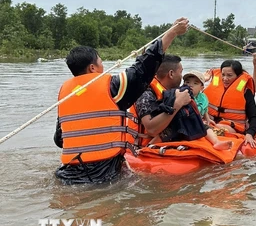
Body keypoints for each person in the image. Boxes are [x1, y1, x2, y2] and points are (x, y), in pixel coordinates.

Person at [53, 17, 189, 184]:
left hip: (66, 174)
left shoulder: (65, 94)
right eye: (101, 62)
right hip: (101, 177)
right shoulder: (112, 87)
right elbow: (143, 68)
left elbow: (60, 140)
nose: (103, 66)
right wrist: (172, 33)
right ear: (92, 68)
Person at [133, 55, 203, 145]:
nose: (181, 77)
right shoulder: (146, 94)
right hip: (144, 147)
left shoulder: (170, 91)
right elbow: (151, 129)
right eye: (181, 72)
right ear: (171, 74)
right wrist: (178, 103)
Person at [203, 60, 256, 148]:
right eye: (223, 75)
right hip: (210, 121)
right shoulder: (213, 85)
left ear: (237, 76)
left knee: (215, 127)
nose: (225, 78)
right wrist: (202, 81)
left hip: (231, 126)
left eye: (229, 75)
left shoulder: (245, 92)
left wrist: (250, 133)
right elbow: (194, 100)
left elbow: (254, 117)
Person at [182, 70, 233, 150]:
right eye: (187, 82)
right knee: (205, 127)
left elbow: (205, 109)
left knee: (208, 128)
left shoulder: (203, 97)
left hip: (198, 120)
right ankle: (216, 142)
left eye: (195, 83)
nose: (190, 85)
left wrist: (208, 118)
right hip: (186, 122)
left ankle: (216, 142)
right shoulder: (184, 96)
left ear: (201, 87)